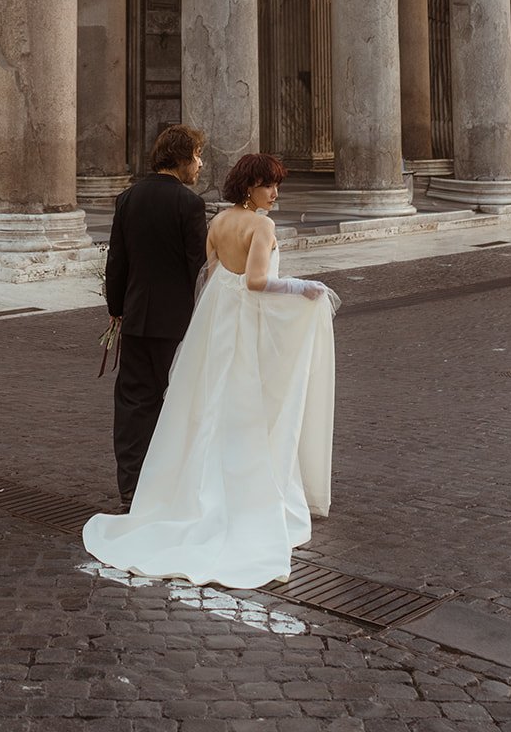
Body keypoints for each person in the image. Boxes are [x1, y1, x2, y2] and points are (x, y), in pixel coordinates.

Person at [83, 152, 339, 590]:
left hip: (218, 328)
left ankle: (189, 490)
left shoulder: (219, 224)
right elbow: (256, 283)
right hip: (247, 329)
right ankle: (240, 495)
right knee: (248, 409)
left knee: (207, 408)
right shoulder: (262, 226)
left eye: (276, 185)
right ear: (249, 187)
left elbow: (214, 275)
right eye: (268, 185)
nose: (275, 194)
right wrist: (303, 288)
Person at [104, 123, 208, 508]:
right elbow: (197, 267)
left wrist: (116, 309)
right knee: (179, 400)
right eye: (197, 156)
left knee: (133, 403)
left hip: (135, 318)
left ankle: (131, 487)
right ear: (181, 158)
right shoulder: (189, 204)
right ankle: (172, 485)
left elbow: (117, 262)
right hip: (176, 323)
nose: (199, 165)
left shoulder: (127, 198)